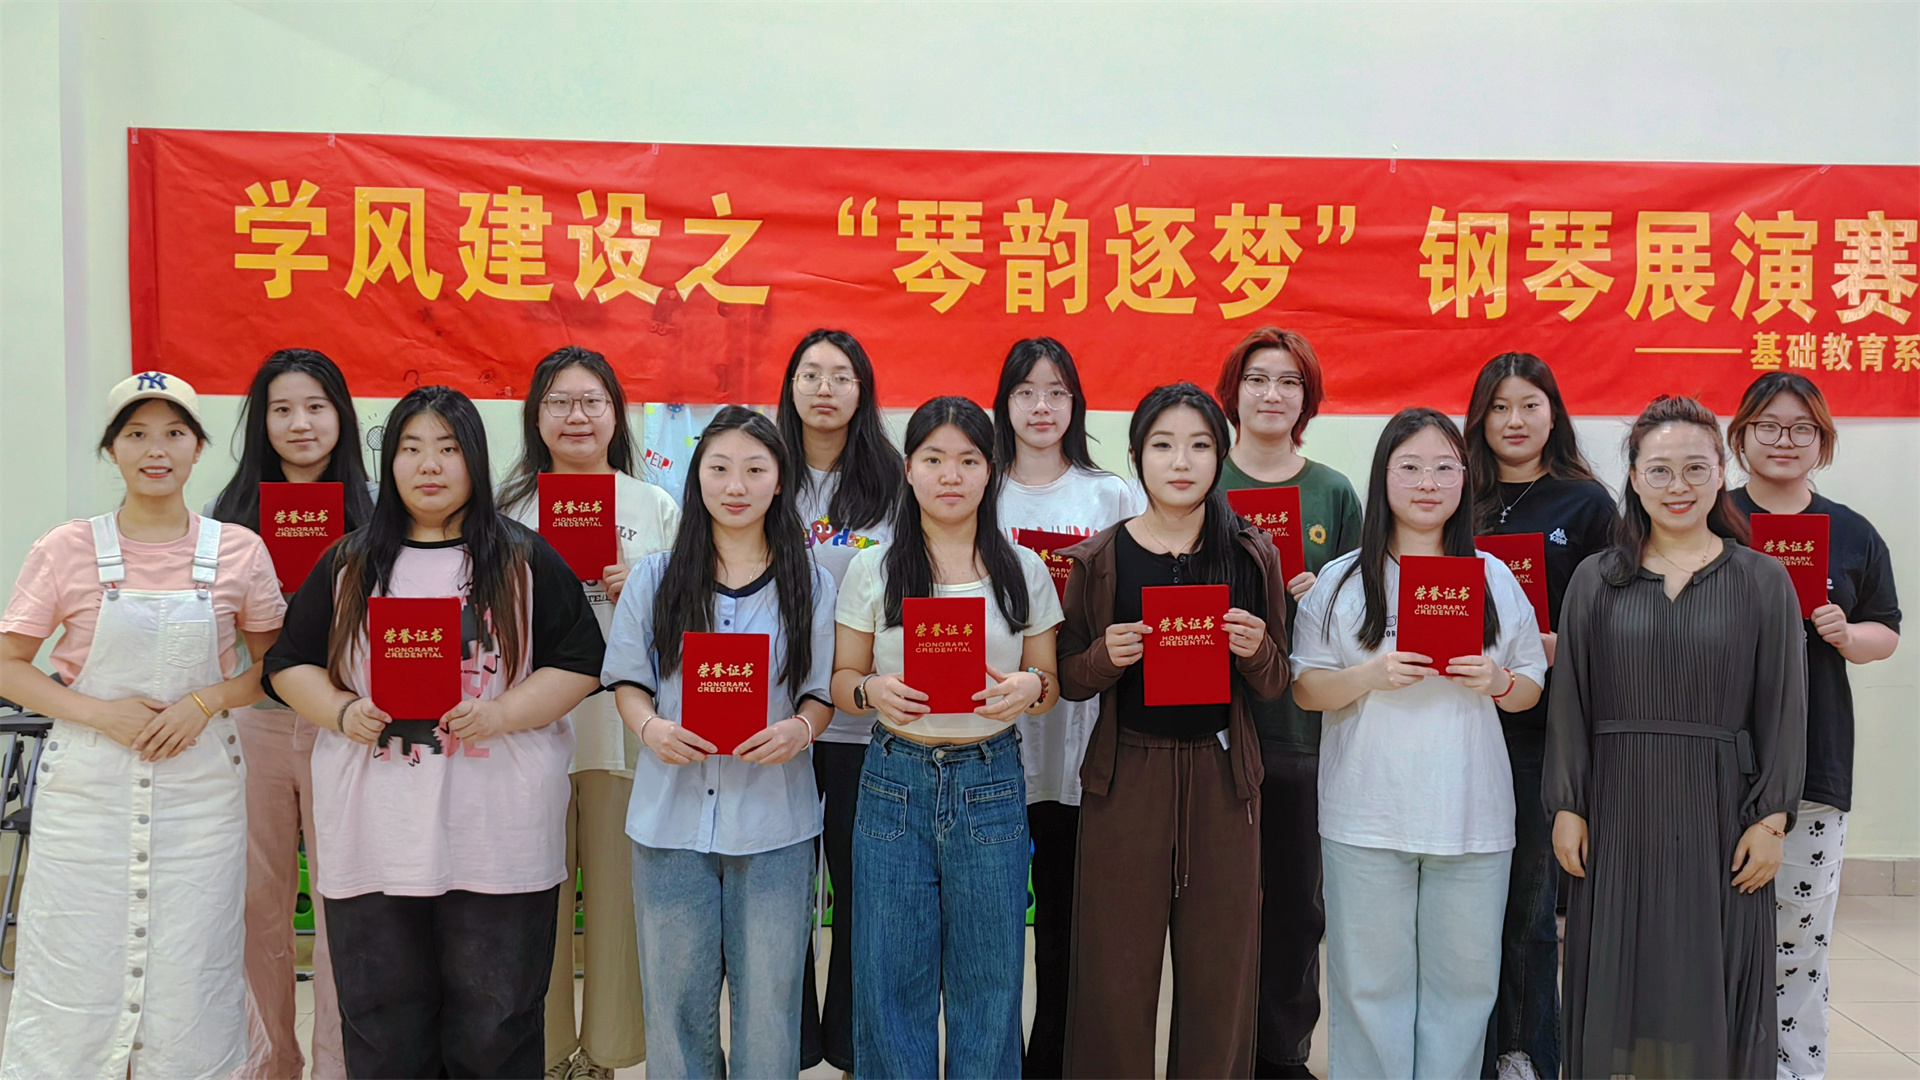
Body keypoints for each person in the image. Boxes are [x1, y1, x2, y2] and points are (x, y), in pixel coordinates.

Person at [263, 386, 605, 1078]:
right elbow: (287, 664)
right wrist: (340, 711)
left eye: (448, 448)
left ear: (474, 459)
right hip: (375, 832)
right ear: (389, 463)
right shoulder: (349, 563)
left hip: (499, 833)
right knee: (383, 1025)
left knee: (496, 1025)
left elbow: (581, 663)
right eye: (411, 448)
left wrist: (503, 713)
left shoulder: (523, 559)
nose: (429, 465)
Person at [0, 372, 286, 1079]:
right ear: (112, 449)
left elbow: (275, 666)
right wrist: (101, 714)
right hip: (87, 795)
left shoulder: (239, 550)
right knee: (75, 959)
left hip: (200, 796)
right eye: (136, 434)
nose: (156, 450)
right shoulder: (65, 548)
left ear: (197, 449)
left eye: (174, 434)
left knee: (194, 962)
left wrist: (205, 702)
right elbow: (9, 664)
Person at [1545, 395, 1807, 1080]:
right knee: (1620, 977)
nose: (1678, 486)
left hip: (1720, 811)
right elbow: (1571, 701)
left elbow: (1784, 708)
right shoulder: (1595, 580)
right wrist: (1568, 804)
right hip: (1618, 808)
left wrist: (1772, 818)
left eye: (1696, 468)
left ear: (1721, 473)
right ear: (1634, 478)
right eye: (1659, 470)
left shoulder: (1763, 580)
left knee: (1707, 979)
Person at [1291, 407, 1547, 1080]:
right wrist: (1369, 675)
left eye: (1443, 467)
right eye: (1409, 466)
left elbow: (1531, 686)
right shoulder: (1342, 581)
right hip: (1365, 816)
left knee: (1464, 988)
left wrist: (1496, 680)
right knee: (1368, 987)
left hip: (1472, 817)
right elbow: (1306, 688)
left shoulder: (1493, 577)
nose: (1428, 482)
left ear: (1465, 478)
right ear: (1383, 477)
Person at [1057, 382, 1290, 1078]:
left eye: (1198, 445)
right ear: (1136, 456)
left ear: (1221, 456)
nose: (1180, 462)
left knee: (1221, 971)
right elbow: (1068, 677)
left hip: (1224, 778)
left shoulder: (1251, 553)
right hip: (1127, 776)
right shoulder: (1099, 558)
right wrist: (1105, 657)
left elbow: (1278, 681)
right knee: (1114, 971)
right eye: (1162, 445)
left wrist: (1256, 650)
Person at [831, 396, 1062, 1079]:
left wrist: (1028, 688)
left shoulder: (1024, 569)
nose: (950, 476)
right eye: (933, 459)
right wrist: (872, 691)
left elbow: (1048, 682)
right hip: (893, 781)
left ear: (991, 471)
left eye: (967, 460)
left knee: (989, 979)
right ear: (908, 469)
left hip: (990, 781)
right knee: (889, 979)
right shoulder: (874, 568)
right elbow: (843, 680)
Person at [603, 407, 837, 1078]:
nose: (736, 486)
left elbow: (820, 694)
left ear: (779, 480)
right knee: (675, 1007)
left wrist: (799, 729)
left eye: (755, 470)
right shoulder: (655, 577)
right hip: (670, 823)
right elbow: (629, 683)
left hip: (774, 826)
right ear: (697, 476)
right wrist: (651, 727)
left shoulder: (811, 582)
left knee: (769, 1006)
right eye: (720, 468)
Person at [501, 345, 680, 1080]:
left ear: (615, 415)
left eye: (592, 402)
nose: (576, 416)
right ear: (536, 417)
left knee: (617, 902)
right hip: (526, 735)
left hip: (622, 734)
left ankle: (605, 1054)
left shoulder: (655, 506)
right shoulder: (507, 510)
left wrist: (646, 588)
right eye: (559, 402)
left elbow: (696, 619)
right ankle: (542, 1055)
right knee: (531, 901)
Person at [1724, 372, 1900, 1080]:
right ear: (1741, 434)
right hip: (1713, 762)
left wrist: (1846, 634)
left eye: (1802, 428)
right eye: (1768, 425)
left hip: (1812, 762)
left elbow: (1886, 631)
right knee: (1712, 937)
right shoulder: (1710, 520)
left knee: (1798, 942)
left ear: (1822, 441)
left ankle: (1795, 1069)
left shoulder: (1852, 532)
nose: (1784, 440)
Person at [207, 347, 374, 1080]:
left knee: (347, 903)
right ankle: (269, 1061)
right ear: (262, 422)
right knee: (259, 905)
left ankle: (340, 1064)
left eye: (315, 407)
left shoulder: (379, 511)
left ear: (341, 416)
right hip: (258, 725)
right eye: (282, 409)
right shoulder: (226, 519)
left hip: (348, 727)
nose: (300, 423)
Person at [988, 336, 1142, 1079]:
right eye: (1026, 392)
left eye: (1056, 392)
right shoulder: (981, 488)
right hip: (990, 731)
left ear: (1075, 404)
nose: (1041, 407)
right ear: (1005, 404)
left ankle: (1053, 1057)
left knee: (1067, 919)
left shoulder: (1109, 495)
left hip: (1080, 736)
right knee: (990, 925)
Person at [1461, 351, 1616, 1080]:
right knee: (1465, 904)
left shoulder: (1586, 504)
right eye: (1499, 407)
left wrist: (1560, 644)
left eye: (1529, 405)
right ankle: (1467, 1053)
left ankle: (1526, 1055)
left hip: (1538, 732)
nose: (1514, 420)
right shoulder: (1455, 494)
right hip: (1452, 724)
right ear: (1479, 418)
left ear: (1554, 414)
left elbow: (1620, 610)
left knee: (1528, 904)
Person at [1212, 326, 1361, 1079]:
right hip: (1214, 729)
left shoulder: (1333, 491)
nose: (1272, 394)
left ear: (1307, 399)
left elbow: (1367, 613)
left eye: (1289, 382)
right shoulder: (1202, 478)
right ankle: (1222, 1051)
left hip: (1303, 732)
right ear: (1232, 393)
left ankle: (1284, 1054)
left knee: (1299, 908)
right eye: (1257, 379)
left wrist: (1320, 593)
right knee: (1221, 906)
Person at [777, 328, 903, 1075]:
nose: (825, 388)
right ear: (791, 385)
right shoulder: (762, 467)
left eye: (841, 376)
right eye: (811, 374)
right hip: (777, 715)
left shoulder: (894, 480)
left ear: (863, 390)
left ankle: (855, 1043)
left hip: (864, 720)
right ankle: (788, 1041)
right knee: (781, 888)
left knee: (863, 889)